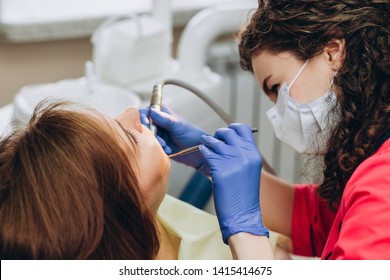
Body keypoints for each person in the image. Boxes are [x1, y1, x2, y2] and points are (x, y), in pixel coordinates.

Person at [140, 0, 390, 259]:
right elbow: (317, 218)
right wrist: (207, 160)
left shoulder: (382, 181)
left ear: (332, 53)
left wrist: (244, 229)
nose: (278, 115)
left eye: (277, 88)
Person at [0, 101, 236, 259]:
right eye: (129, 138)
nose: (132, 112)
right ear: (127, 205)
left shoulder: (153, 213)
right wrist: (248, 239)